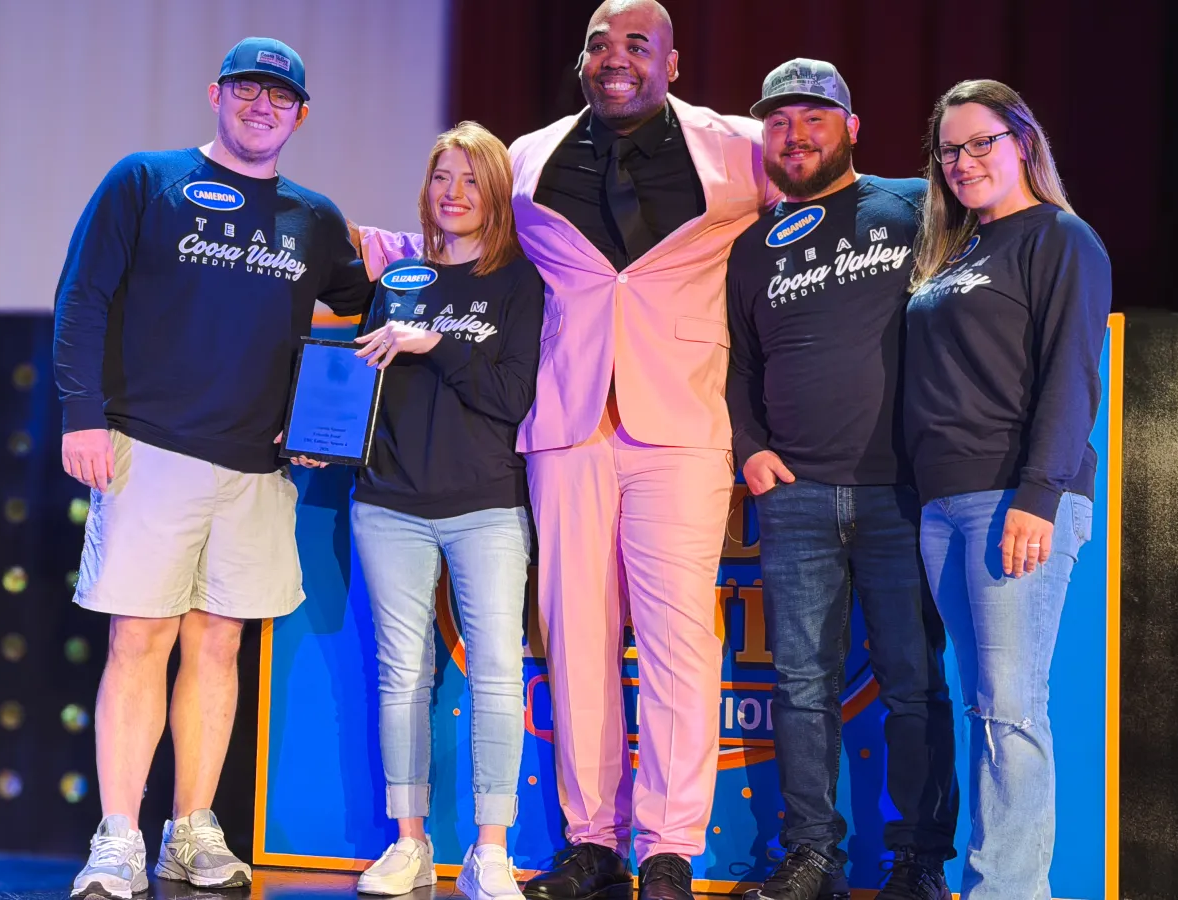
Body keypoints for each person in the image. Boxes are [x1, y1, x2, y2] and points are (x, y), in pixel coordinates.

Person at [354, 3, 778, 898]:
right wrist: (348, 242)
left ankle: (668, 846)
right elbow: (457, 239)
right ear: (581, 60)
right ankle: (592, 840)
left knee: (678, 642)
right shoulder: (530, 157)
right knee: (575, 637)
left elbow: (822, 207)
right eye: (598, 44)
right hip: (564, 423)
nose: (614, 58)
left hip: (682, 421)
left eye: (636, 44)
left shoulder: (739, 151)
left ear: (672, 61)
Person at [52, 37, 372, 900]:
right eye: (246, 90)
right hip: (147, 448)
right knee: (138, 639)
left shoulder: (314, 219)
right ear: (215, 94)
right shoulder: (145, 181)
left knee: (219, 644)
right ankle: (118, 836)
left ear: (301, 115)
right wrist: (82, 415)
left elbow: (371, 309)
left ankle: (190, 829)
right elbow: (82, 297)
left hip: (257, 468)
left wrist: (327, 417)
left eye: (280, 96)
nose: (261, 107)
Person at [726, 60, 957, 900]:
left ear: (852, 128)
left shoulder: (913, 206)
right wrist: (749, 447)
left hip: (903, 493)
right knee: (799, 686)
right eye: (779, 121)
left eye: (813, 118)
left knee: (913, 683)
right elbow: (740, 367)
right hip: (796, 498)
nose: (795, 135)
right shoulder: (753, 247)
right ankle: (811, 857)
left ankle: (918, 862)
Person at [301, 122, 543, 900]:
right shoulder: (397, 281)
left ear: (495, 193)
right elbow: (364, 383)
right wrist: (326, 438)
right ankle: (409, 843)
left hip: (487, 505)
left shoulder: (520, 283)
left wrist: (432, 343)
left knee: (498, 671)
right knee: (402, 674)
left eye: (470, 179)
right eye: (442, 177)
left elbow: (512, 396)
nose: (454, 193)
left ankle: (489, 852)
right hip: (390, 505)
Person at [903, 79, 1111, 900]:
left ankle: (1008, 891)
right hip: (943, 504)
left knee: (1011, 707)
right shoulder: (953, 250)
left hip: (1013, 497)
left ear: (1023, 142)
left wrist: (1038, 493)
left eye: (980, 143)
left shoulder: (1061, 238)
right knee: (985, 705)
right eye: (949, 150)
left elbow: (1072, 378)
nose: (963, 162)